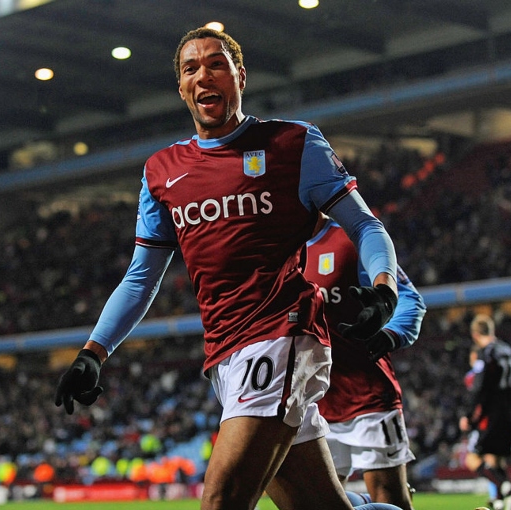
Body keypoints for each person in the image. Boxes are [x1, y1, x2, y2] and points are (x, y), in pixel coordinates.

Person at [54, 27, 403, 510]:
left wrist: (385, 289)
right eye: (190, 68)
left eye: (216, 64)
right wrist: (94, 352)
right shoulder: (162, 171)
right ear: (180, 87)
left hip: (282, 336)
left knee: (220, 501)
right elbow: (141, 276)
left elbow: (365, 225)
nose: (203, 75)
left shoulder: (293, 144)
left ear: (240, 75)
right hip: (224, 353)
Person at [303, 214, 426, 510]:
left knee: (390, 498)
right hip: (312, 401)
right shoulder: (279, 246)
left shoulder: (351, 241)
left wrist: (390, 334)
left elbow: (409, 298)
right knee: (320, 503)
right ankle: (363, 503)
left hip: (367, 396)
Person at [459, 314, 511, 510]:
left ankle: (509, 490)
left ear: (475, 334)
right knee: (493, 459)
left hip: (492, 413)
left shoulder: (486, 354)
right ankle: (501, 502)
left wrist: (469, 415)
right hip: (507, 413)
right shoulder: (508, 352)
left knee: (472, 459)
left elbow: (479, 388)